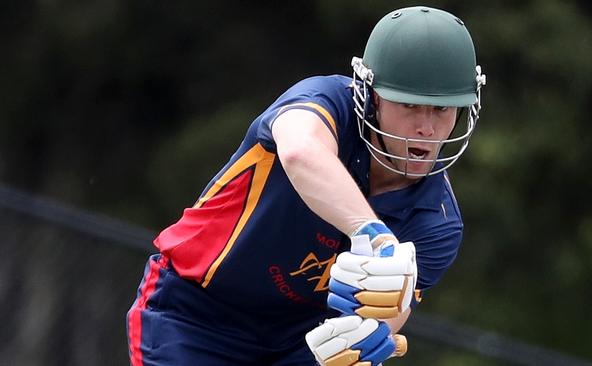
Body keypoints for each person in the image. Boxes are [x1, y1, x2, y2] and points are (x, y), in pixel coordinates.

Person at [127, 5, 486, 366]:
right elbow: (300, 151)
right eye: (409, 104)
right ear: (373, 96)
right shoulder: (325, 100)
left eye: (442, 109)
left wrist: (368, 336)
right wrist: (374, 234)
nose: (427, 127)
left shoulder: (438, 222)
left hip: (299, 342)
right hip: (196, 313)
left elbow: (389, 310)